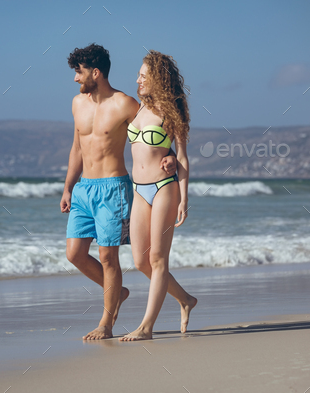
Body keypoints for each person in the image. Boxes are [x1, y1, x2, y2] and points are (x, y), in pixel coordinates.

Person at [60, 44, 177, 340]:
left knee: (109, 258)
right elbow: (76, 147)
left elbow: (155, 128)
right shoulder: (77, 104)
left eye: (79, 72)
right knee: (74, 254)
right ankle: (118, 292)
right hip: (84, 189)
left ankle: (106, 323)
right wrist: (68, 187)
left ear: (95, 72)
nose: (76, 78)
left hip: (113, 188)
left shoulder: (125, 104)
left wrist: (171, 154)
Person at [120, 50, 197, 341]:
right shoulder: (138, 108)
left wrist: (184, 198)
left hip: (165, 188)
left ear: (158, 79)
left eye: (143, 76)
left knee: (157, 259)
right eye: (138, 75)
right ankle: (186, 299)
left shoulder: (171, 112)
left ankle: (146, 327)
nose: (137, 80)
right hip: (139, 190)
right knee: (140, 261)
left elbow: (184, 158)